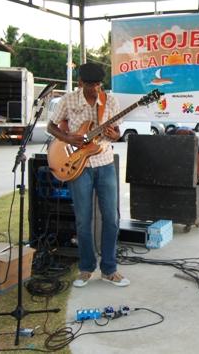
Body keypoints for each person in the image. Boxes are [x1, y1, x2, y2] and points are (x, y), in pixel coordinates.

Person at [47, 62, 129, 288]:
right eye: (90, 84)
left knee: (111, 218)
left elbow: (117, 133)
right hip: (77, 165)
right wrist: (68, 138)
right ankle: (86, 268)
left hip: (105, 163)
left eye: (98, 84)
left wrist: (114, 135)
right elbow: (51, 127)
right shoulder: (68, 100)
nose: (95, 88)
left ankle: (109, 269)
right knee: (83, 220)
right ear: (80, 82)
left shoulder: (110, 101)